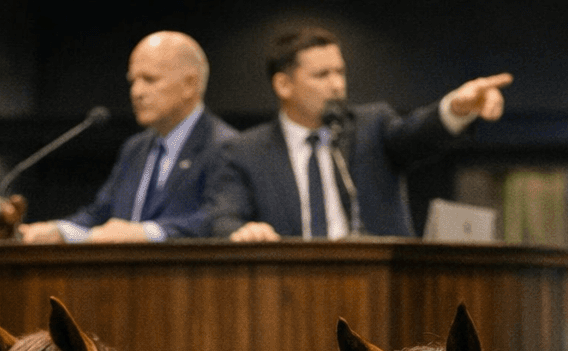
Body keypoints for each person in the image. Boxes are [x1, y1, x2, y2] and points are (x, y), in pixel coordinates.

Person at [206, 27, 511, 240]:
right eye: (322, 75)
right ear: (283, 85)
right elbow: (222, 218)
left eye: (340, 72)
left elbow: (417, 135)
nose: (337, 85)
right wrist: (243, 231)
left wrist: (457, 108)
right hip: (289, 291)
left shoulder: (372, 127)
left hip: (375, 287)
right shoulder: (245, 151)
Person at [19, 31, 237, 243]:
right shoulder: (135, 147)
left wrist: (147, 233)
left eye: (149, 79)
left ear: (189, 84)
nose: (136, 92)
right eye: (133, 81)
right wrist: (59, 231)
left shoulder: (227, 145)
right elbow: (101, 214)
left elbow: (219, 220)